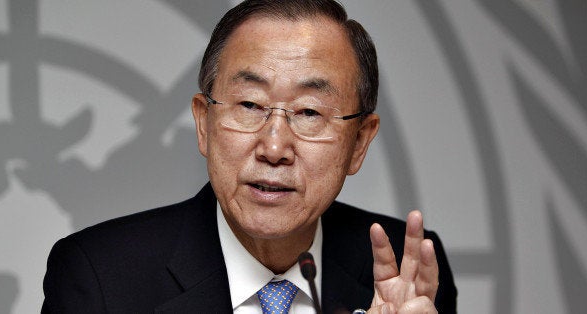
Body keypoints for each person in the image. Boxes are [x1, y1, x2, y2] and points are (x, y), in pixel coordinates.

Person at [41, 0, 457, 313]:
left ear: (360, 143)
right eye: (250, 105)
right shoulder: (98, 277)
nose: (274, 148)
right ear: (204, 124)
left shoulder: (408, 270)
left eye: (309, 112)